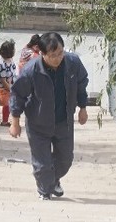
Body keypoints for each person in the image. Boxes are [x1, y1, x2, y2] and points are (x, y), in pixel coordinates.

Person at [9, 32, 88, 200]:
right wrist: (14, 121)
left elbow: (82, 83)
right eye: (53, 55)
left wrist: (83, 107)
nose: (59, 58)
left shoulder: (73, 63)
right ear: (43, 54)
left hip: (63, 122)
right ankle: (44, 191)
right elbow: (17, 94)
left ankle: (54, 180)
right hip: (38, 124)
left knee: (65, 160)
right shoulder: (31, 70)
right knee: (42, 164)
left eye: (61, 53)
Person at [0, 39, 17, 128]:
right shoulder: (1, 64)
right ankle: (4, 121)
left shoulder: (10, 60)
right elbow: (3, 80)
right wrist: (10, 89)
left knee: (10, 105)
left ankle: (7, 120)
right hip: (5, 88)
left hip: (11, 85)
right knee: (7, 106)